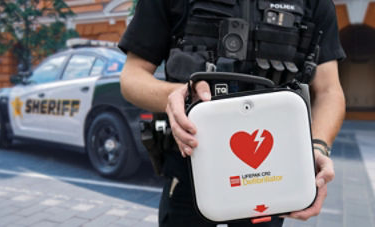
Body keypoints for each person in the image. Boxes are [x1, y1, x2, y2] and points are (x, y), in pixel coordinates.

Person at [119, 0, 346, 226]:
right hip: (191, 170)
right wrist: (177, 94)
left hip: (270, 175)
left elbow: (328, 91)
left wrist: (316, 148)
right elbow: (132, 78)